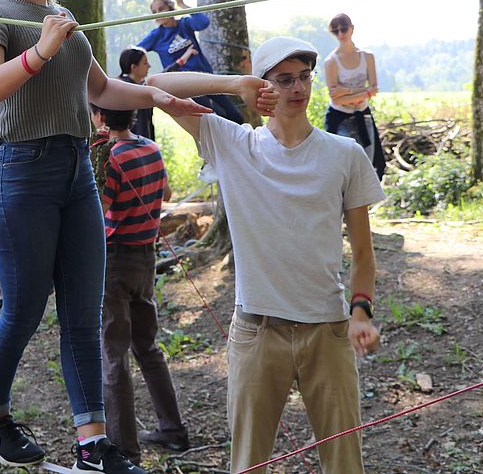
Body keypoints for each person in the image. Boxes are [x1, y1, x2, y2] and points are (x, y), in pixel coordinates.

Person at [0, 0, 210, 474]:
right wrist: (41, 50)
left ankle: (92, 443)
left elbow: (101, 91)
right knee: (23, 310)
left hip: (77, 170)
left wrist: (155, 95)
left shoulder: (64, 19)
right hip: (20, 174)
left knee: (82, 312)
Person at [146, 37, 383, 474]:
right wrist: (238, 85)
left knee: (345, 464)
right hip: (257, 330)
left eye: (305, 78)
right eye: (284, 79)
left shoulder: (344, 155)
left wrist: (361, 311)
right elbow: (158, 83)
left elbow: (364, 254)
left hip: (328, 331)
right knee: (248, 462)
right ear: (264, 85)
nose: (298, 89)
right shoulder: (233, 142)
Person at [92, 105, 190, 466]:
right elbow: (164, 192)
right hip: (145, 258)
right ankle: (173, 429)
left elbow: (98, 210)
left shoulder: (110, 159)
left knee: (113, 355)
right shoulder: (150, 147)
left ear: (101, 117)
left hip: (115, 261)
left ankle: (124, 451)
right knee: (147, 348)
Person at [137, 0, 244, 124]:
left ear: (170, 8)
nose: (158, 14)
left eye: (161, 9)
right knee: (218, 118)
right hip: (184, 85)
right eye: (154, 12)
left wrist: (182, 5)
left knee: (235, 117)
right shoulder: (156, 35)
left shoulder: (184, 24)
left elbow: (203, 22)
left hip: (205, 77)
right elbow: (134, 52)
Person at [324, 13, 386, 179]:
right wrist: (359, 91)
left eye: (343, 29)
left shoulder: (367, 57)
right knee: (342, 167)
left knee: (369, 167)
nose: (341, 35)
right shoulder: (331, 61)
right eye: (335, 31)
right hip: (339, 117)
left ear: (352, 29)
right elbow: (335, 97)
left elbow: (374, 88)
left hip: (362, 115)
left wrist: (345, 91)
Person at [117, 47, 155, 140]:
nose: (149, 66)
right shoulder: (125, 90)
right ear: (134, 67)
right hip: (132, 145)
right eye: (145, 63)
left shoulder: (141, 87)